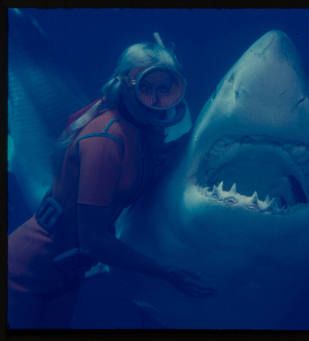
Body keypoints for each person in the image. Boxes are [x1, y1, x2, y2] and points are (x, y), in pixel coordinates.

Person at [8, 37, 214, 329]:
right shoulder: (105, 139)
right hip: (23, 274)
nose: (154, 101)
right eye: (145, 87)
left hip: (65, 275)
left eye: (164, 89)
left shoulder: (141, 133)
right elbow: (95, 240)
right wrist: (165, 272)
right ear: (125, 85)